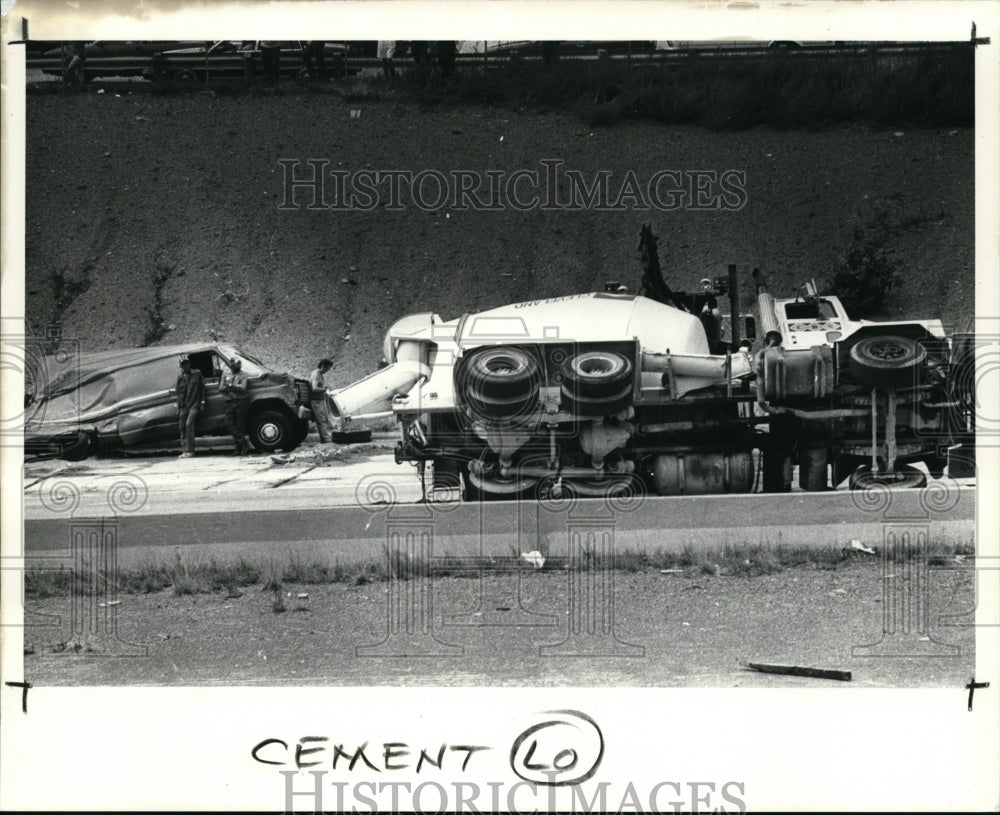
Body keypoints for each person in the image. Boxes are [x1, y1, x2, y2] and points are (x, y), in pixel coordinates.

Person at [176, 356, 205, 458]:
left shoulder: (197, 373)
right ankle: (185, 450)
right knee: (182, 426)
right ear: (181, 366)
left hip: (194, 404)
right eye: (183, 364)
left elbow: (202, 388)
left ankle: (190, 450)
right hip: (184, 406)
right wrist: (179, 407)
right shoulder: (180, 378)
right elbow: (178, 394)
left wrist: (202, 402)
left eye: (187, 363)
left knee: (189, 424)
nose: (186, 366)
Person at [221, 356, 251, 455]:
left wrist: (230, 386)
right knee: (228, 423)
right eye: (234, 365)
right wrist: (232, 388)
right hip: (229, 401)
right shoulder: (226, 373)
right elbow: (221, 388)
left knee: (239, 425)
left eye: (239, 364)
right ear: (231, 365)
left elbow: (243, 388)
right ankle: (243, 442)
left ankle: (238, 447)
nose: (237, 366)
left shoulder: (243, 375)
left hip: (241, 401)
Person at [309, 358, 337, 443]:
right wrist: (324, 389)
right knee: (321, 420)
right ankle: (325, 438)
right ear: (322, 366)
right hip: (315, 400)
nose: (326, 371)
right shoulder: (316, 375)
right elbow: (314, 388)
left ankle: (325, 437)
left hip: (319, 400)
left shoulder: (320, 375)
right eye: (326, 369)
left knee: (323, 418)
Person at [697, 277, 722, 350]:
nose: (705, 286)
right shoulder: (714, 311)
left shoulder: (713, 311)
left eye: (706, 284)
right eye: (703, 285)